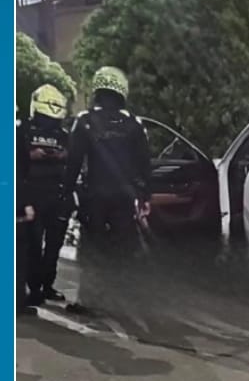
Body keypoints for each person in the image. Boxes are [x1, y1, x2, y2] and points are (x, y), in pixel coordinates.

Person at [62, 66, 152, 311]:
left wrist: (67, 193)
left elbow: (73, 162)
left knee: (93, 248)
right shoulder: (135, 123)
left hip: (94, 198)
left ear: (97, 89)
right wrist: (145, 197)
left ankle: (89, 301)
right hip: (124, 198)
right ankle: (122, 300)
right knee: (123, 249)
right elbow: (145, 164)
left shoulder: (85, 120)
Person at [23, 84, 73, 305]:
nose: (50, 124)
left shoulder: (64, 135)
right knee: (32, 244)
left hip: (57, 195)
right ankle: (32, 288)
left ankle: (46, 286)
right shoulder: (23, 130)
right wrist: (31, 155)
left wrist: (62, 155)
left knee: (54, 245)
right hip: (32, 195)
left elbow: (74, 160)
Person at [15, 106, 37, 316]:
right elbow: (20, 172)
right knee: (19, 251)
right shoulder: (16, 134)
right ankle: (17, 301)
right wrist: (26, 203)